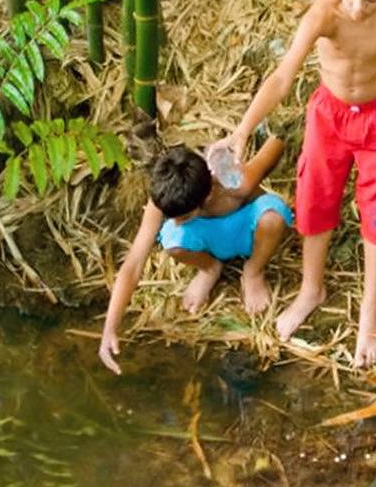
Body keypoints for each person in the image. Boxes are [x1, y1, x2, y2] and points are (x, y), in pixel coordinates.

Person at [211, 0, 376, 367]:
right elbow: (282, 77)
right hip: (328, 115)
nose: (357, 7)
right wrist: (241, 131)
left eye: (369, 0)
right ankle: (312, 288)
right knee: (315, 200)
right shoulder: (323, 14)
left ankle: (369, 315)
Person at [97, 136, 292, 375]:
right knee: (173, 239)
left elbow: (275, 146)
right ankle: (210, 268)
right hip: (209, 238)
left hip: (243, 230)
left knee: (274, 215)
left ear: (207, 198)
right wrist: (109, 328)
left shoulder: (235, 183)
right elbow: (134, 263)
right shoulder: (167, 194)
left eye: (183, 216)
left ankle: (253, 272)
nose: (177, 222)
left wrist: (261, 133)